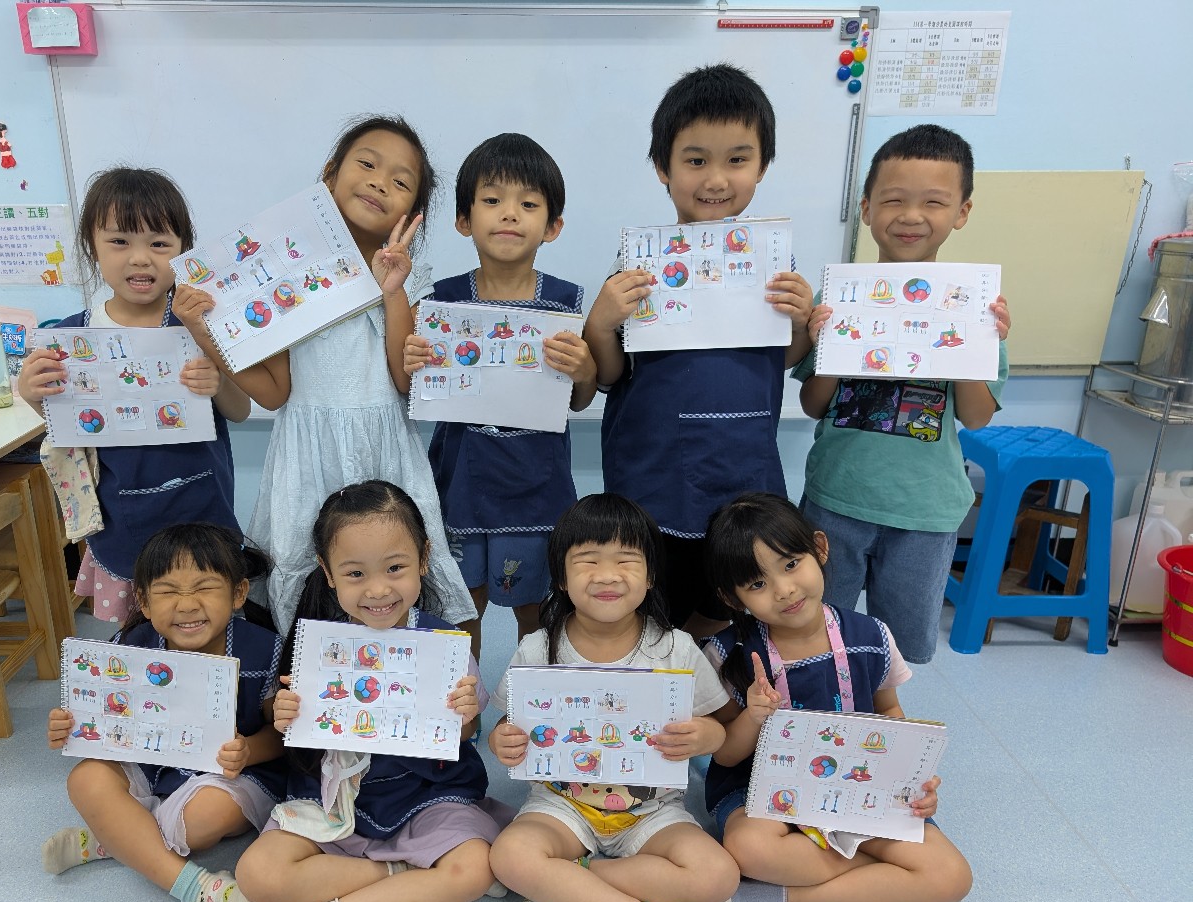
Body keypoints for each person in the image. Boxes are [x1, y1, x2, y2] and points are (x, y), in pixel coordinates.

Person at [174, 115, 476, 633]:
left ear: (413, 213)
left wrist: (391, 291)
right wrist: (206, 332)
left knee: (394, 572)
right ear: (331, 174)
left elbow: (406, 383)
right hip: (305, 456)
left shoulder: (410, 281)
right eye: (367, 164)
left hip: (385, 450)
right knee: (308, 580)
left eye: (401, 181)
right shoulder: (286, 276)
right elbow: (274, 394)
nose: (380, 183)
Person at [209, 480, 507, 902]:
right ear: (328, 574)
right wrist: (287, 715)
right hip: (333, 798)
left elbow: (461, 735)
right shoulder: (315, 647)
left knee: (474, 867)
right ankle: (401, 872)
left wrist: (463, 716)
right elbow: (291, 731)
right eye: (354, 573)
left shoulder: (446, 643)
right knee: (257, 875)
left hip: (424, 795)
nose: (378, 590)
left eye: (395, 568)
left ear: (424, 559)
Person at [583, 63, 815, 640]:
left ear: (762, 166)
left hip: (742, 463)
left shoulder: (775, 265)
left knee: (735, 595)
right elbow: (610, 374)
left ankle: (713, 668)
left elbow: (784, 360)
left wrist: (802, 321)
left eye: (737, 159)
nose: (716, 178)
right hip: (654, 467)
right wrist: (602, 322)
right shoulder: (636, 264)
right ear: (663, 168)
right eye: (695, 160)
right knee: (653, 597)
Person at [486, 494, 739, 902]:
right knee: (510, 856)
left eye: (626, 560)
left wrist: (705, 736)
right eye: (588, 561)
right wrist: (504, 741)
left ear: (650, 575)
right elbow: (507, 724)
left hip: (653, 810)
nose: (607, 575)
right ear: (561, 577)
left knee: (718, 876)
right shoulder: (538, 648)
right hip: (561, 805)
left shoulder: (676, 648)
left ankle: (570, 884)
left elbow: (722, 725)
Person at [792, 124, 1011, 664]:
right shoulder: (836, 298)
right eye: (893, 200)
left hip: (925, 511)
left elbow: (977, 418)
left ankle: (882, 712)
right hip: (836, 497)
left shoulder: (977, 308)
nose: (911, 216)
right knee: (819, 636)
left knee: (899, 647)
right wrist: (825, 342)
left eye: (934, 202)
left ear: (961, 212)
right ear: (866, 208)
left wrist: (973, 345)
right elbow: (813, 405)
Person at [702, 492, 972, 902]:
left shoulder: (872, 636)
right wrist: (753, 717)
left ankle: (781, 893)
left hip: (858, 789)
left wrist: (914, 780)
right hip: (761, 793)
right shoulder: (728, 654)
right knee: (748, 848)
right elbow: (725, 754)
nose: (784, 590)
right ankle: (887, 879)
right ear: (734, 599)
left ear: (820, 548)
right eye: (757, 584)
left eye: (791, 564)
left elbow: (890, 715)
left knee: (952, 877)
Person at [18, 167, 250, 624]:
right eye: (120, 241)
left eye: (159, 244)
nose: (140, 259)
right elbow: (63, 423)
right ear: (92, 247)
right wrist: (32, 393)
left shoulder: (199, 325)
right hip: (122, 516)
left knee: (205, 620)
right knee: (140, 630)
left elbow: (240, 410)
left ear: (183, 250)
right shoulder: (71, 337)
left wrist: (219, 383)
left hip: (202, 508)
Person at [402, 133, 597, 658]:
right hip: (460, 484)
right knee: (462, 607)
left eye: (528, 204)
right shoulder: (439, 301)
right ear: (464, 219)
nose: (509, 214)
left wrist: (585, 369)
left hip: (538, 486)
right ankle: (465, 702)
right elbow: (414, 387)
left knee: (536, 610)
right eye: (492, 200)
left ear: (552, 226)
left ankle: (529, 698)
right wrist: (413, 360)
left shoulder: (566, 302)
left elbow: (578, 399)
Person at [43, 523, 289, 902]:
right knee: (85, 779)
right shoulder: (131, 645)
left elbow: (281, 737)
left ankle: (114, 840)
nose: (187, 605)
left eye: (205, 588)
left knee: (206, 819)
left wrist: (247, 752)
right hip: (151, 765)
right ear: (143, 600)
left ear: (238, 593)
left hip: (232, 774)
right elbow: (103, 723)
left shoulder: (265, 649)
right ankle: (199, 888)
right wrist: (71, 726)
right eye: (168, 591)